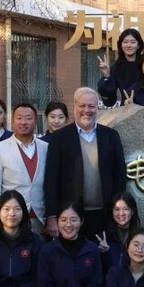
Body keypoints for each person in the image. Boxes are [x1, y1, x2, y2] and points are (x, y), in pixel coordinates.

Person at [44, 87, 127, 240]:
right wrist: (52, 216)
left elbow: (119, 175)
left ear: (97, 108)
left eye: (91, 106)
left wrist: (120, 210)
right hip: (71, 216)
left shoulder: (110, 136)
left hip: (104, 214)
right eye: (82, 106)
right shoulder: (60, 138)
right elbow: (51, 179)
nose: (86, 110)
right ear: (74, 107)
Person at [0, 103, 48, 234]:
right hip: (11, 218)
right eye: (19, 118)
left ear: (35, 122)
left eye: (28, 118)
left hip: (40, 218)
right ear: (13, 121)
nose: (24, 122)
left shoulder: (45, 148)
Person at [97, 192, 142, 274]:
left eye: (126, 209)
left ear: (132, 211)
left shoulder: (141, 237)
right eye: (117, 209)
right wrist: (104, 253)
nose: (121, 213)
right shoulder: (103, 238)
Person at [98, 28, 144, 107]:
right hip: (125, 108)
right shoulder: (117, 67)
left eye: (133, 42)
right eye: (125, 42)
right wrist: (107, 76)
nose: (129, 45)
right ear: (121, 45)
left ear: (138, 45)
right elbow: (109, 102)